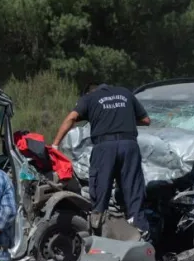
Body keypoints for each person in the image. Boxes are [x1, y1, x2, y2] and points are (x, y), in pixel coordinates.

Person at [52, 82, 151, 237]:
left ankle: (98, 229)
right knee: (133, 190)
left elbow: (71, 118)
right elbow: (146, 120)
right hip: (129, 146)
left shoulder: (90, 98)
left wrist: (55, 144)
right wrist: (124, 120)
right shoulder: (125, 92)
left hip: (105, 148)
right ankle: (140, 232)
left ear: (87, 93)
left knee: (100, 189)